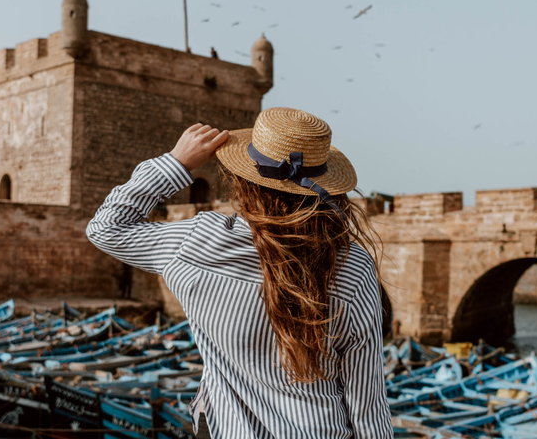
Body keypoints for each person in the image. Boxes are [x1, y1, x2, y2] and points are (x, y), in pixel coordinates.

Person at [86, 107, 393, 438]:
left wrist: (178, 162)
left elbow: (107, 227)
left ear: (243, 179)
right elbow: (367, 401)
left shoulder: (200, 242)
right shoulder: (351, 264)